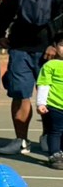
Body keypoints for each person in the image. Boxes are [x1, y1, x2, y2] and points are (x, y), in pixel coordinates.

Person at [0, 0, 63, 155]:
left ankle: (48, 136)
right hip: (20, 48)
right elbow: (4, 12)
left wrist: (57, 44)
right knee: (19, 94)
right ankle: (21, 140)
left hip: (51, 51)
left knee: (51, 97)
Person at [36, 36, 63, 170]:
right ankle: (54, 155)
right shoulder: (50, 65)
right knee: (55, 131)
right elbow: (44, 84)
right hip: (55, 105)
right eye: (62, 45)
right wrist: (41, 103)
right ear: (55, 47)